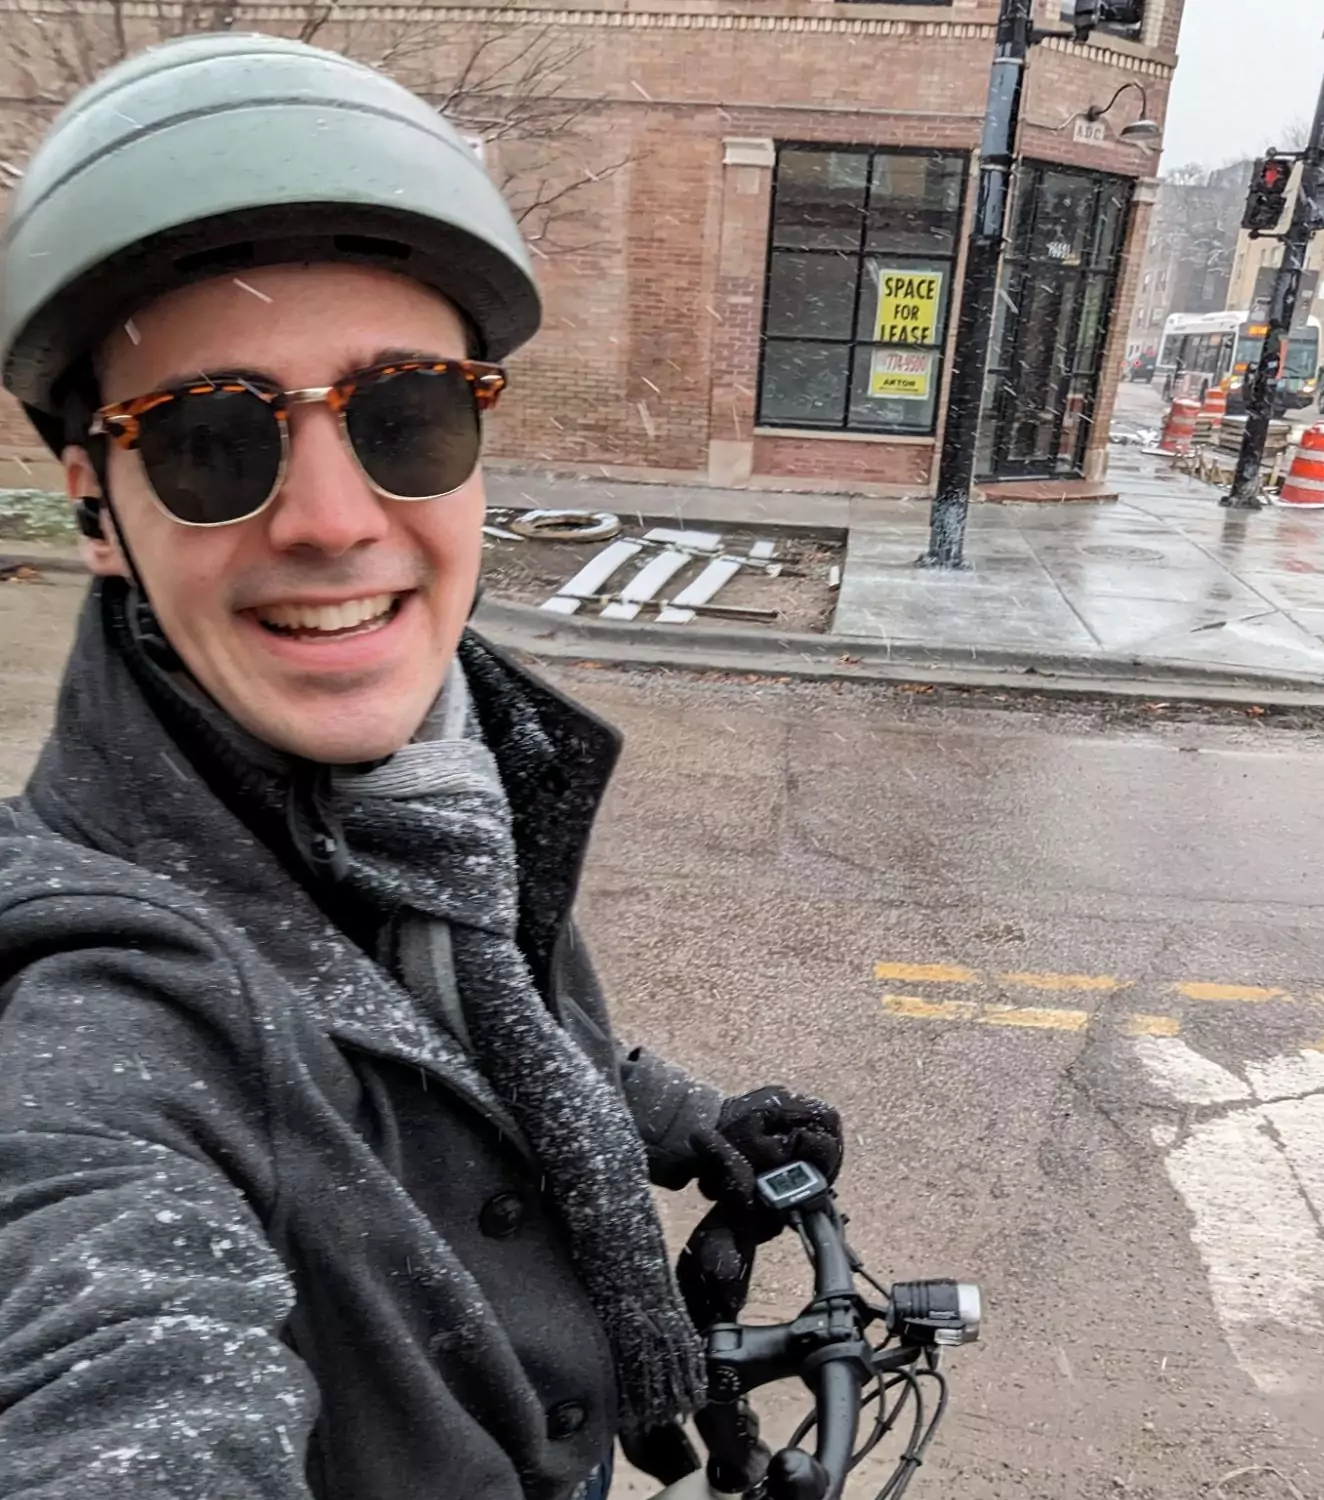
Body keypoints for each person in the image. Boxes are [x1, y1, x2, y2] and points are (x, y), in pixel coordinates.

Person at [0, 34, 842, 1500]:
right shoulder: (99, 1011)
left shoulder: (443, 802)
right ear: (97, 508)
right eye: (209, 441)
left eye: (405, 416)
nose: (333, 518)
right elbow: (114, 1351)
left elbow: (486, 1032)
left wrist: (689, 1119)